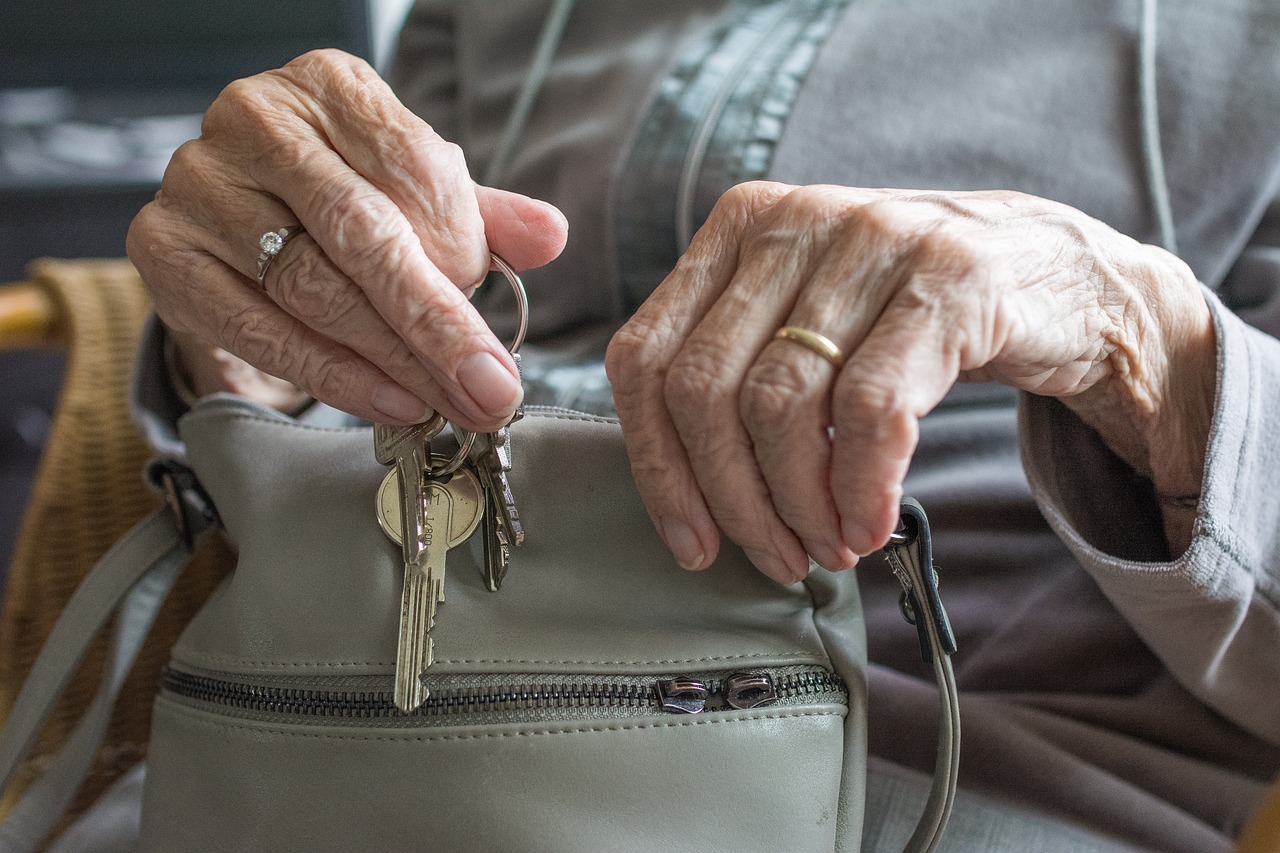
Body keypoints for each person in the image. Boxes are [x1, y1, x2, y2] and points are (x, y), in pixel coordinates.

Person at [125, 1, 1280, 849]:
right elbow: (354, 357)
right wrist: (253, 320)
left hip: (957, 780)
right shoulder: (482, 17)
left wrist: (1135, 332)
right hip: (316, 731)